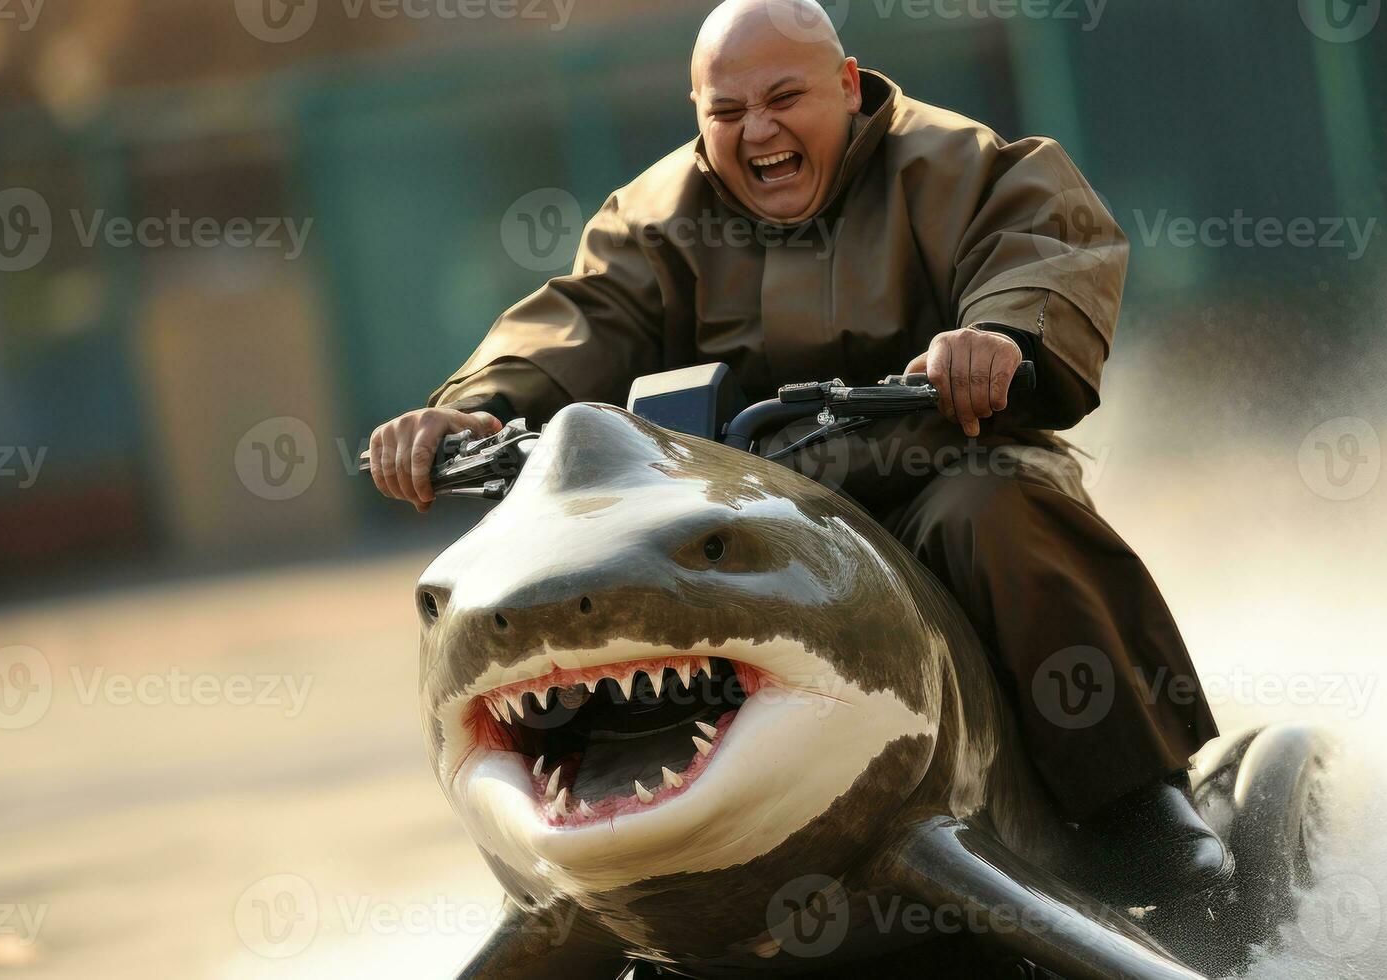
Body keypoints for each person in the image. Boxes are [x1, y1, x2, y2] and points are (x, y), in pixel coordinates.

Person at [369, 0, 1227, 900]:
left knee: (996, 515)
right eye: (727, 113)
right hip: (750, 520)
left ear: (848, 86)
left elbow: (1041, 246)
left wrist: (999, 334)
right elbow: (581, 319)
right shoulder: (655, 218)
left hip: (930, 473)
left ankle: (1135, 797)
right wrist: (472, 410)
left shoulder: (958, 164)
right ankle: (605, 869)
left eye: (783, 98)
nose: (759, 131)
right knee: (610, 593)